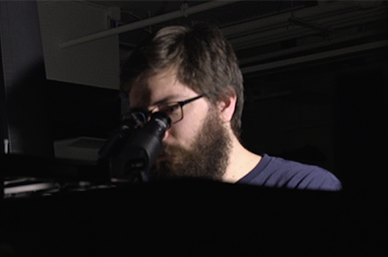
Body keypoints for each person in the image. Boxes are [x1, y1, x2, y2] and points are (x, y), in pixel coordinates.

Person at [120, 22, 341, 191]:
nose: (155, 134)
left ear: (224, 104)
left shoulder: (305, 184)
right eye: (141, 116)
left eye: (169, 109)